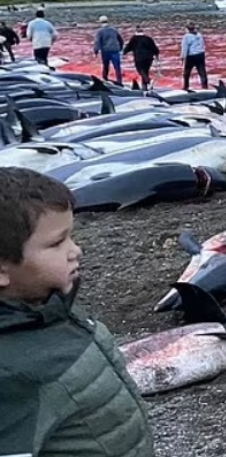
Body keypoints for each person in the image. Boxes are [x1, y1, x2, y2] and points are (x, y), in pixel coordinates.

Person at [0, 167, 155, 457]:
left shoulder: (49, 307)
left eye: (71, 236)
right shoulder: (10, 376)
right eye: (57, 243)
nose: (76, 250)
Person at [123, 25, 161, 90]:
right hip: (149, 58)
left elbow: (128, 47)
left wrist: (124, 53)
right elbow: (154, 48)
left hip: (139, 58)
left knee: (140, 71)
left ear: (136, 31)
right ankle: (144, 87)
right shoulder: (148, 38)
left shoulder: (134, 39)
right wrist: (157, 55)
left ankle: (148, 81)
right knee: (146, 71)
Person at [92, 15, 125, 86]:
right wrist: (121, 48)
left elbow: (97, 42)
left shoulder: (100, 31)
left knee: (106, 66)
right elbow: (120, 40)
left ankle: (105, 79)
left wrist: (96, 51)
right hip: (115, 50)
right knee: (117, 67)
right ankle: (119, 82)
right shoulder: (114, 29)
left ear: (100, 23)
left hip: (106, 50)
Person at [180, 23, 208, 90]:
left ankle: (186, 87)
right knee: (202, 71)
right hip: (201, 54)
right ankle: (204, 87)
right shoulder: (199, 35)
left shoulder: (186, 36)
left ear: (187, 29)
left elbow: (185, 48)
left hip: (191, 56)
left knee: (187, 72)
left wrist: (182, 57)